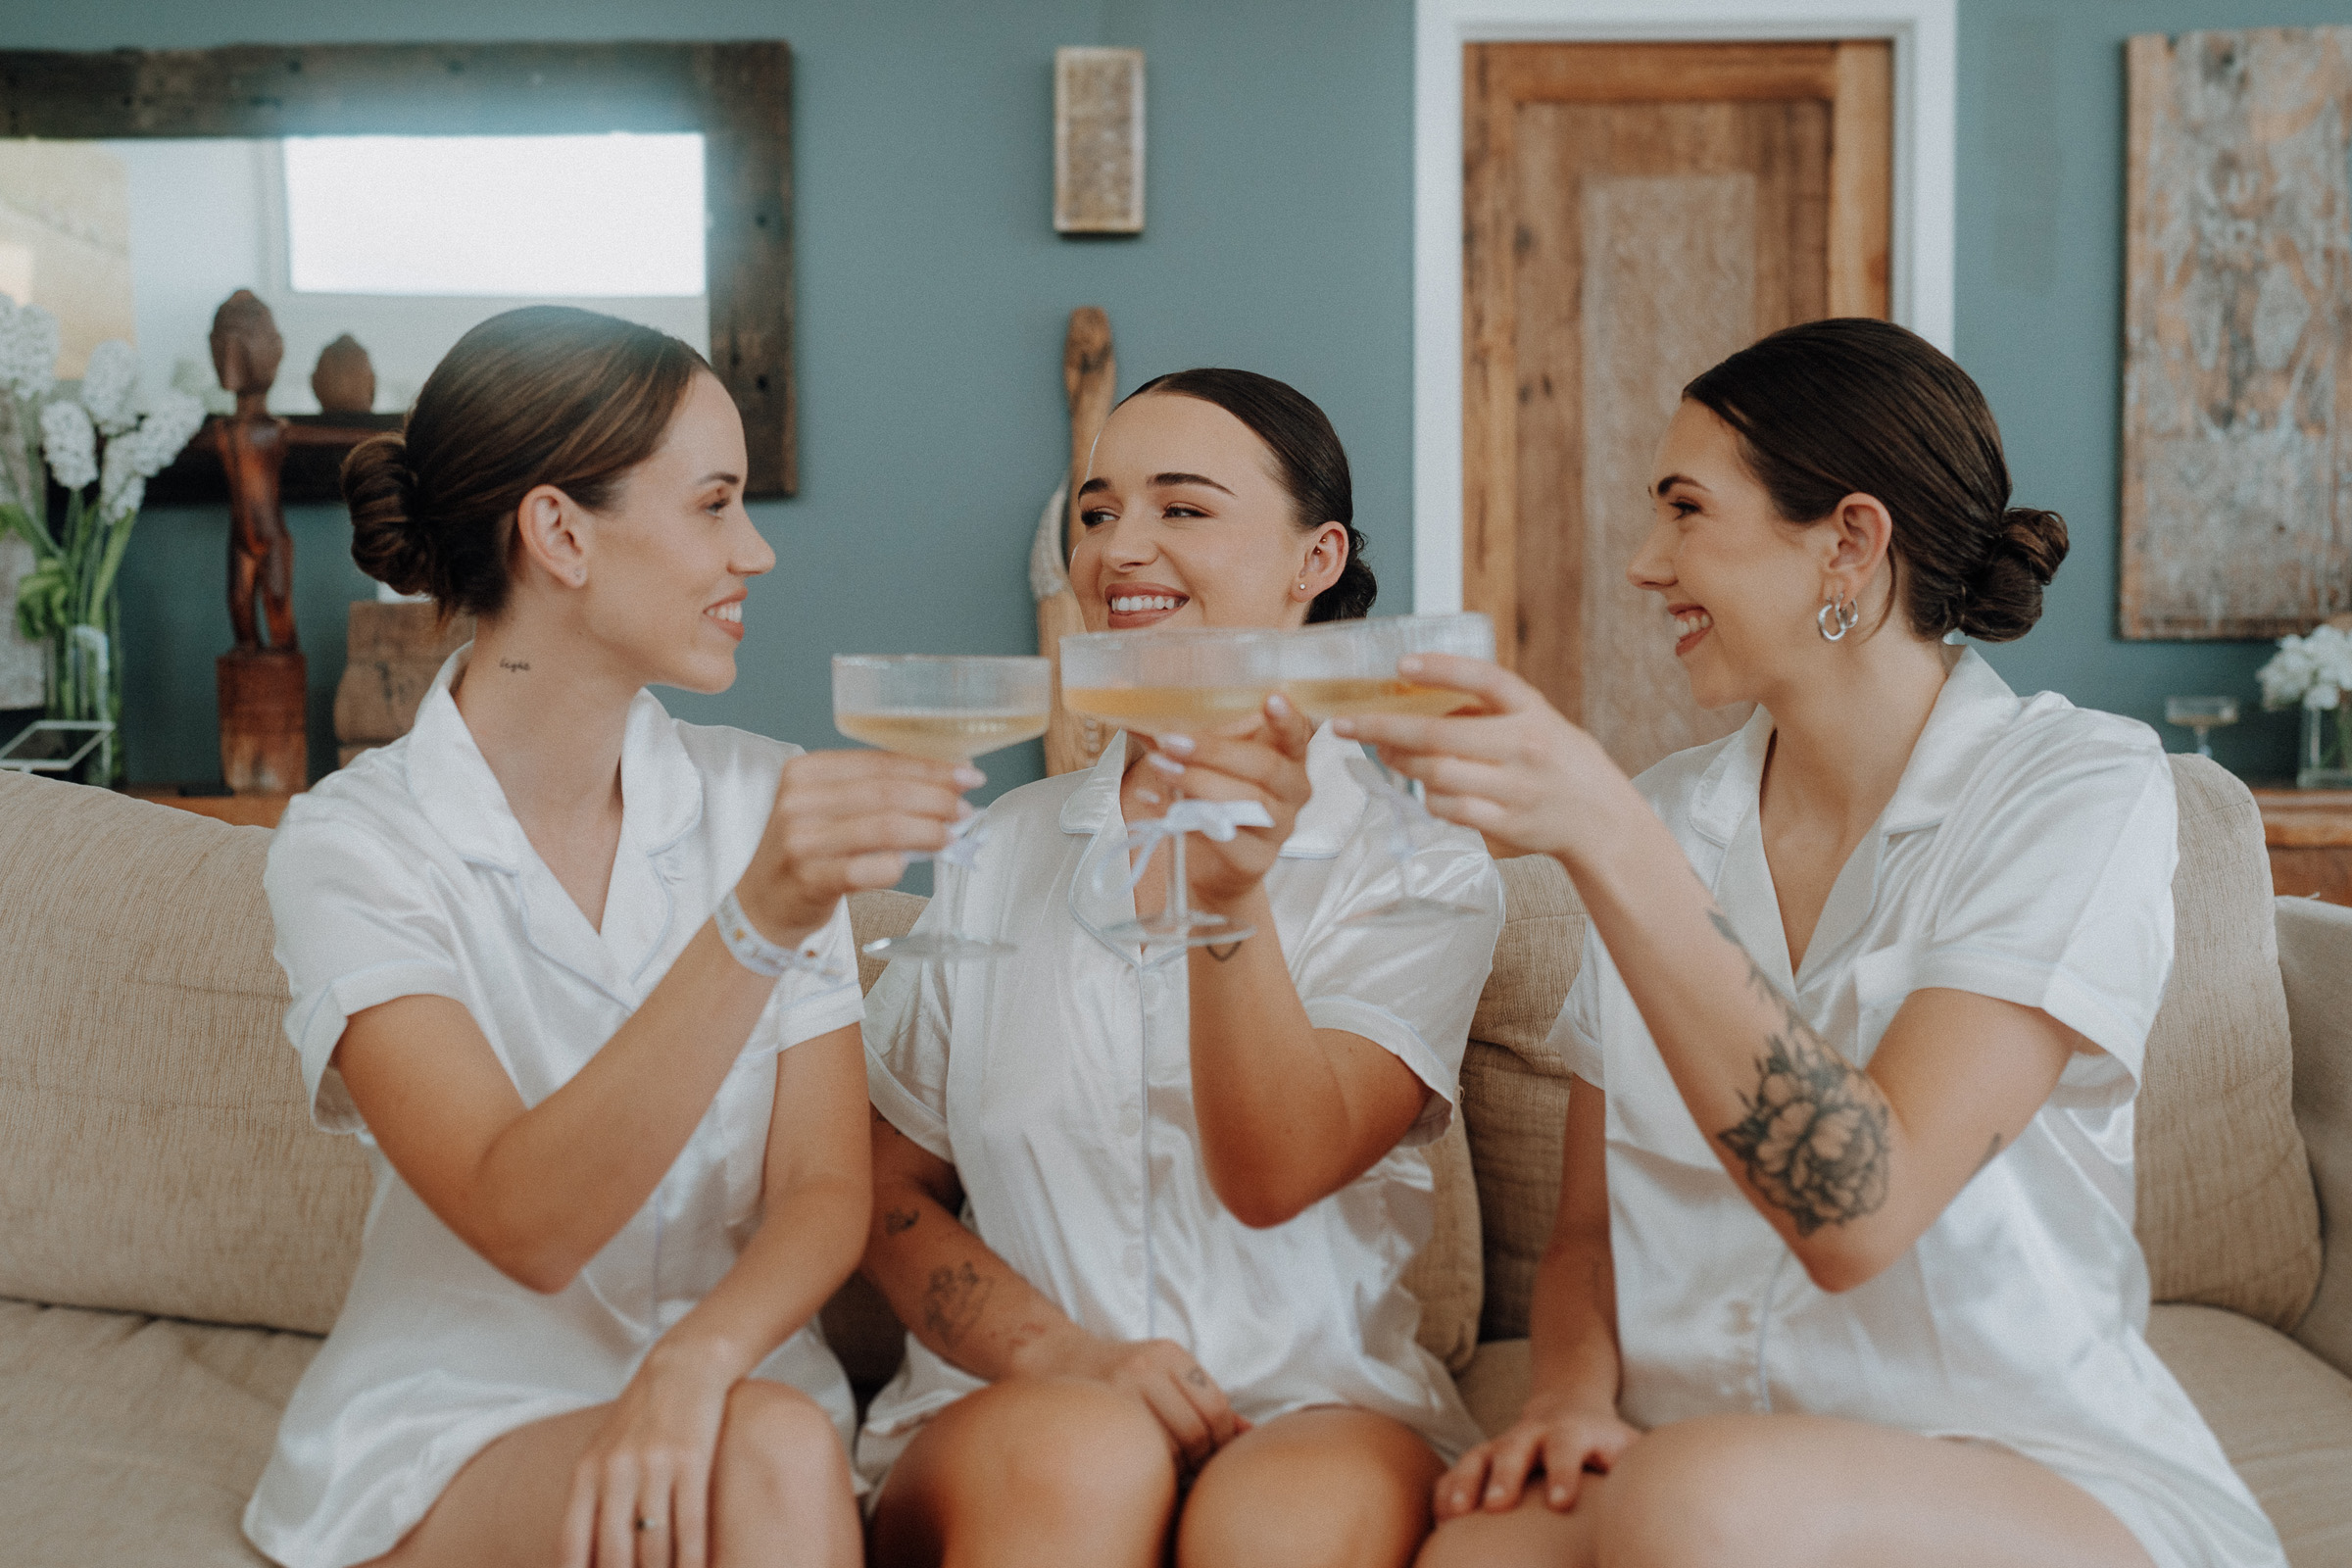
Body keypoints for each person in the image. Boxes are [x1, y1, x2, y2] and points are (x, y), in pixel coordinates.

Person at [1345, 318, 2286, 1568]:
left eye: (1686, 511)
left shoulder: (2076, 790)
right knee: (1482, 1547)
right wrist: (1570, 1400)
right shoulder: (1675, 810)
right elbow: (1586, 1233)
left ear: (1848, 540)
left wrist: (1606, 839)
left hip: (2012, 1468)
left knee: (1707, 1500)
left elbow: (1857, 1209)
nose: (1642, 562)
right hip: (1694, 1454)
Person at [244, 306, 970, 1568]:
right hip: (468, 1422)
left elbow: (820, 1191)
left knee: (778, 1449)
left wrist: (695, 1361)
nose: (756, 552)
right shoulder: (351, 847)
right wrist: (757, 921)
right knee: (773, 1465)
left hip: (738, 1386)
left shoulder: (761, 795)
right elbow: (526, 1221)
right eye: (713, 505)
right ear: (561, 534)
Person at [856, 368, 1504, 1568]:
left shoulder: (1424, 871)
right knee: (1082, 1454)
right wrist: (1066, 1359)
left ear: (1316, 559)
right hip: (1021, 1408)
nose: (1119, 549)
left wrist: (1228, 895)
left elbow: (1278, 1171)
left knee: (1283, 1525)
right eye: (1098, 513)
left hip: (1319, 1403)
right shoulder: (1001, 852)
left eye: (1182, 509)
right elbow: (887, 1194)